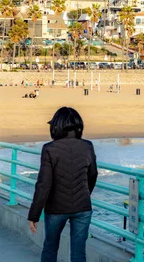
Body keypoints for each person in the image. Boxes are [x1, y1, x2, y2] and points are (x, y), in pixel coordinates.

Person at [28, 107, 98, 262]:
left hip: (56, 209)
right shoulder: (87, 146)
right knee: (78, 252)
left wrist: (34, 214)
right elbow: (92, 174)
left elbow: (43, 185)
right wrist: (84, 193)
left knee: (50, 248)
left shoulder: (49, 149)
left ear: (56, 127)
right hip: (83, 207)